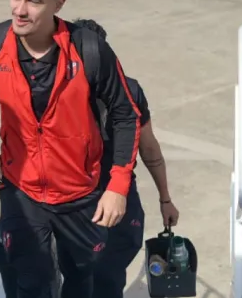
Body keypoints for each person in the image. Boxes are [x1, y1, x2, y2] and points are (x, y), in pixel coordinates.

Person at [0, 0, 144, 298]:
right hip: (22, 190)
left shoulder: (90, 50)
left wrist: (118, 186)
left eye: (33, 2)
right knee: (32, 282)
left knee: (81, 280)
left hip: (81, 193)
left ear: (58, 4)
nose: (19, 10)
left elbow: (127, 114)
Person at [69, 19, 180, 298]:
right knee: (106, 279)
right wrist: (164, 198)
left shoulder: (56, 89)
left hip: (84, 206)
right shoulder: (129, 89)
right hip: (116, 205)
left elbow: (149, 149)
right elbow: (150, 149)